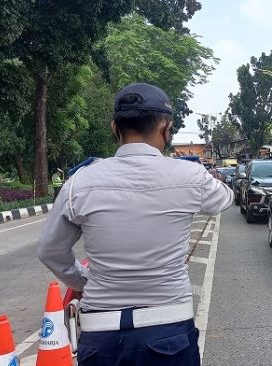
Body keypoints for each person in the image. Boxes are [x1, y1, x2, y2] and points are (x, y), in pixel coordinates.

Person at [37, 82, 233, 366]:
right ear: (166, 129)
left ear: (115, 128)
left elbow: (49, 251)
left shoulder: (80, 182)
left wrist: (84, 281)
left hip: (101, 334)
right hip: (169, 329)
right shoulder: (191, 176)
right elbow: (224, 199)